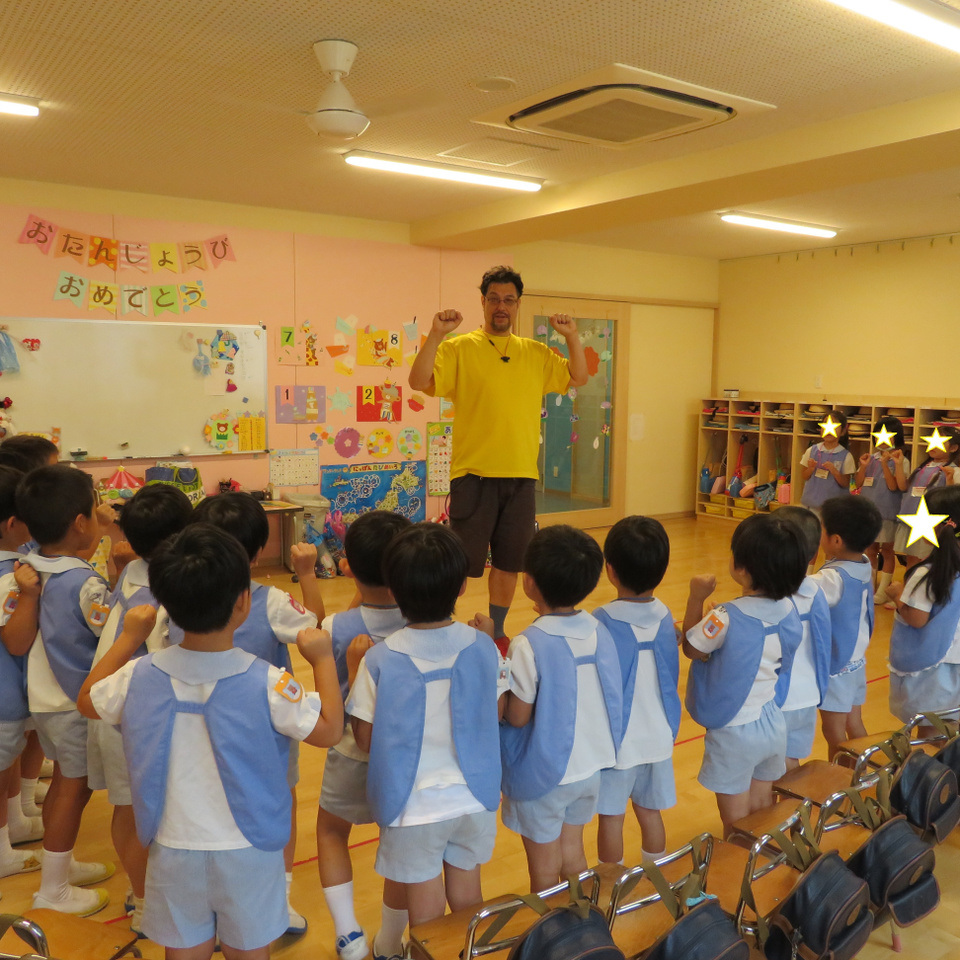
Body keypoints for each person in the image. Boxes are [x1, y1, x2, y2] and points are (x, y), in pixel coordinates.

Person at [77, 523, 343, 960]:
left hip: (170, 845)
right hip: (250, 849)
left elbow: (87, 699)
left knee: (183, 951)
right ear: (243, 603)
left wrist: (129, 637)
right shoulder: (268, 681)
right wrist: (322, 659)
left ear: (164, 603)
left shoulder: (138, 674)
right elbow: (330, 731)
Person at [408, 265, 589, 650]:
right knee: (457, 564)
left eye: (508, 300)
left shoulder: (535, 353)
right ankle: (440, 624)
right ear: (483, 302)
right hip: (472, 475)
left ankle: (498, 631)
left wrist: (572, 336)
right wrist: (437, 334)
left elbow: (579, 376)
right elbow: (418, 381)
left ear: (518, 304)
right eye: (494, 299)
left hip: (521, 476)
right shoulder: (459, 348)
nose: (501, 306)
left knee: (510, 563)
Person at [348, 524, 503, 929]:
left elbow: (364, 740)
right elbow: (498, 710)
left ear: (393, 592)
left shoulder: (379, 659)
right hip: (475, 798)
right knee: (468, 903)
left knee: (427, 921)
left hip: (412, 808)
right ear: (462, 588)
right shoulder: (483, 646)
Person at [187, 492, 322, 935]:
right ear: (259, 550)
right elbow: (315, 628)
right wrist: (307, 573)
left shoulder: (181, 598)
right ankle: (277, 899)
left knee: (211, 805)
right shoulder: (270, 600)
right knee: (279, 804)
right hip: (266, 730)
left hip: (200, 729)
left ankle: (212, 903)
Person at [5, 465, 114, 915]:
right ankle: (53, 889)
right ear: (80, 522)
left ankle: (60, 865)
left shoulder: (28, 563)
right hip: (73, 701)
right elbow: (108, 631)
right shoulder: (84, 583)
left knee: (66, 784)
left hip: (43, 699)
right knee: (74, 788)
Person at [86, 484, 193, 935]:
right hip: (133, 718)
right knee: (138, 813)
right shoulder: (170, 590)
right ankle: (147, 901)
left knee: (128, 809)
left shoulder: (131, 570)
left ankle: (142, 892)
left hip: (115, 708)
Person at [499, 525, 621, 892]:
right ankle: (583, 919)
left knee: (544, 871)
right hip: (590, 768)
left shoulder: (527, 643)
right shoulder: (599, 629)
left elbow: (517, 716)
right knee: (573, 854)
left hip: (545, 776)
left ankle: (551, 926)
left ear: (529, 582)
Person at [316, 510, 411, 960]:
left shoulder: (336, 627)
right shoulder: (423, 620)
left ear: (348, 566)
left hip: (351, 752)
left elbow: (330, 694)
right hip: (406, 756)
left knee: (331, 832)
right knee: (402, 846)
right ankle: (390, 941)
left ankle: (348, 933)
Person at [682, 513, 805, 836]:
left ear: (741, 568)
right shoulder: (789, 610)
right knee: (762, 810)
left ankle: (740, 864)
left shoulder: (724, 617)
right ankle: (765, 861)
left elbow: (692, 648)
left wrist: (696, 597)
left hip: (734, 731)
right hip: (771, 722)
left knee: (736, 824)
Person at [592, 516, 680, 864]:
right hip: (660, 734)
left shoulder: (601, 620)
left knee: (611, 818)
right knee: (650, 812)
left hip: (618, 741)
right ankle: (657, 876)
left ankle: (610, 883)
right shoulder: (665, 615)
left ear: (610, 571)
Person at [811, 495, 883, 758]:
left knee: (834, 735)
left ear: (836, 541)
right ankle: (866, 772)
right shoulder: (863, 563)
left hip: (836, 665)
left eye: (822, 528)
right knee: (854, 724)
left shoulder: (831, 578)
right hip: (855, 660)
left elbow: (800, 593)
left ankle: (841, 778)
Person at [886, 485, 960, 730]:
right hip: (955, 663)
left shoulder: (928, 574)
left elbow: (917, 618)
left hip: (934, 669)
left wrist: (897, 595)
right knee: (952, 728)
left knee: (929, 730)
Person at [0, 465, 43, 877]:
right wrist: (29, 597)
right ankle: (2, 852)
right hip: (4, 695)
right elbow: (15, 641)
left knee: (7, 763)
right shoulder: (12, 576)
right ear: (13, 524)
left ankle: (14, 823)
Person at [776, 507, 831, 770]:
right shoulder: (815, 591)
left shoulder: (769, 601)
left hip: (777, 699)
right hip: (809, 694)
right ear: (815, 554)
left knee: (769, 768)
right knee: (791, 761)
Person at [855, 416, 909, 605]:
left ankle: (884, 590)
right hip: (868, 512)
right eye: (879, 434)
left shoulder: (900, 460)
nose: (882, 438)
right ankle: (870, 586)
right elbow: (858, 483)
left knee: (887, 550)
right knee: (870, 549)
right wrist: (863, 467)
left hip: (887, 511)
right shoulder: (870, 458)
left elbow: (894, 486)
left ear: (896, 436)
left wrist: (886, 464)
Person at [893, 425, 960, 567]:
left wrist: (949, 479)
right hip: (911, 517)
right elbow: (904, 487)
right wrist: (898, 465)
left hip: (931, 523)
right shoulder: (922, 467)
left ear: (954, 448)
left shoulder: (954, 470)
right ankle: (910, 582)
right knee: (911, 559)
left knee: (926, 560)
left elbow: (952, 499)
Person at [800, 410, 855, 515]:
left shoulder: (846, 456)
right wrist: (810, 469)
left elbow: (845, 483)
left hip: (834, 509)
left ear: (843, 431)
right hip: (811, 505)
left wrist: (834, 471)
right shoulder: (811, 450)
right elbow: (804, 476)